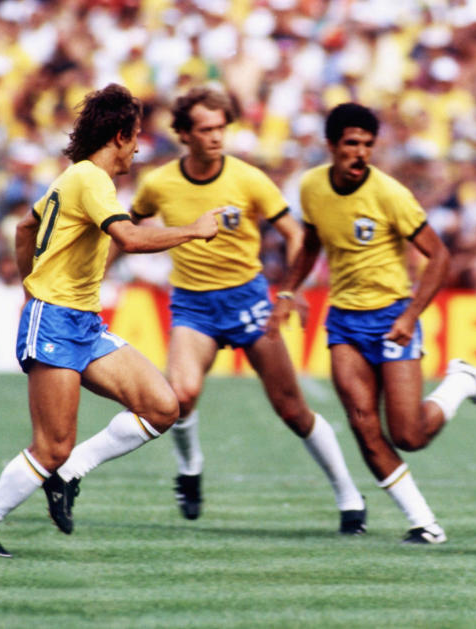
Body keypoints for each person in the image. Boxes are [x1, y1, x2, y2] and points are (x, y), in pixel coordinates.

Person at [0, 83, 223, 557]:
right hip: (55, 322)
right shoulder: (92, 179)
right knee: (51, 446)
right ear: (119, 135)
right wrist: (196, 231)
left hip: (81, 323)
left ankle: (69, 474)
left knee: (162, 406)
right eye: (136, 136)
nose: (139, 147)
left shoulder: (74, 177)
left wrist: (29, 282)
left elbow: (24, 227)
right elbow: (131, 240)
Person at [268, 103, 476, 544]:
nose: (360, 153)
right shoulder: (311, 187)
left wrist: (411, 315)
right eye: (351, 144)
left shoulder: (390, 194)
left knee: (410, 434)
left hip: (392, 317)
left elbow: (439, 255)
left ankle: (461, 381)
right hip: (343, 320)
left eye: (367, 144)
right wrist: (289, 289)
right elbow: (312, 243)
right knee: (362, 422)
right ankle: (424, 523)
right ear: (331, 147)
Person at [127, 86, 366, 532]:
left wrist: (292, 289)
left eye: (222, 128)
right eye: (206, 129)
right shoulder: (158, 183)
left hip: (248, 301)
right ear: (184, 134)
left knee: (292, 410)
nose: (217, 137)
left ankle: (349, 497)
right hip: (193, 306)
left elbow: (295, 234)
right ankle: (191, 467)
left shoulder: (249, 179)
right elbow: (132, 228)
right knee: (179, 396)